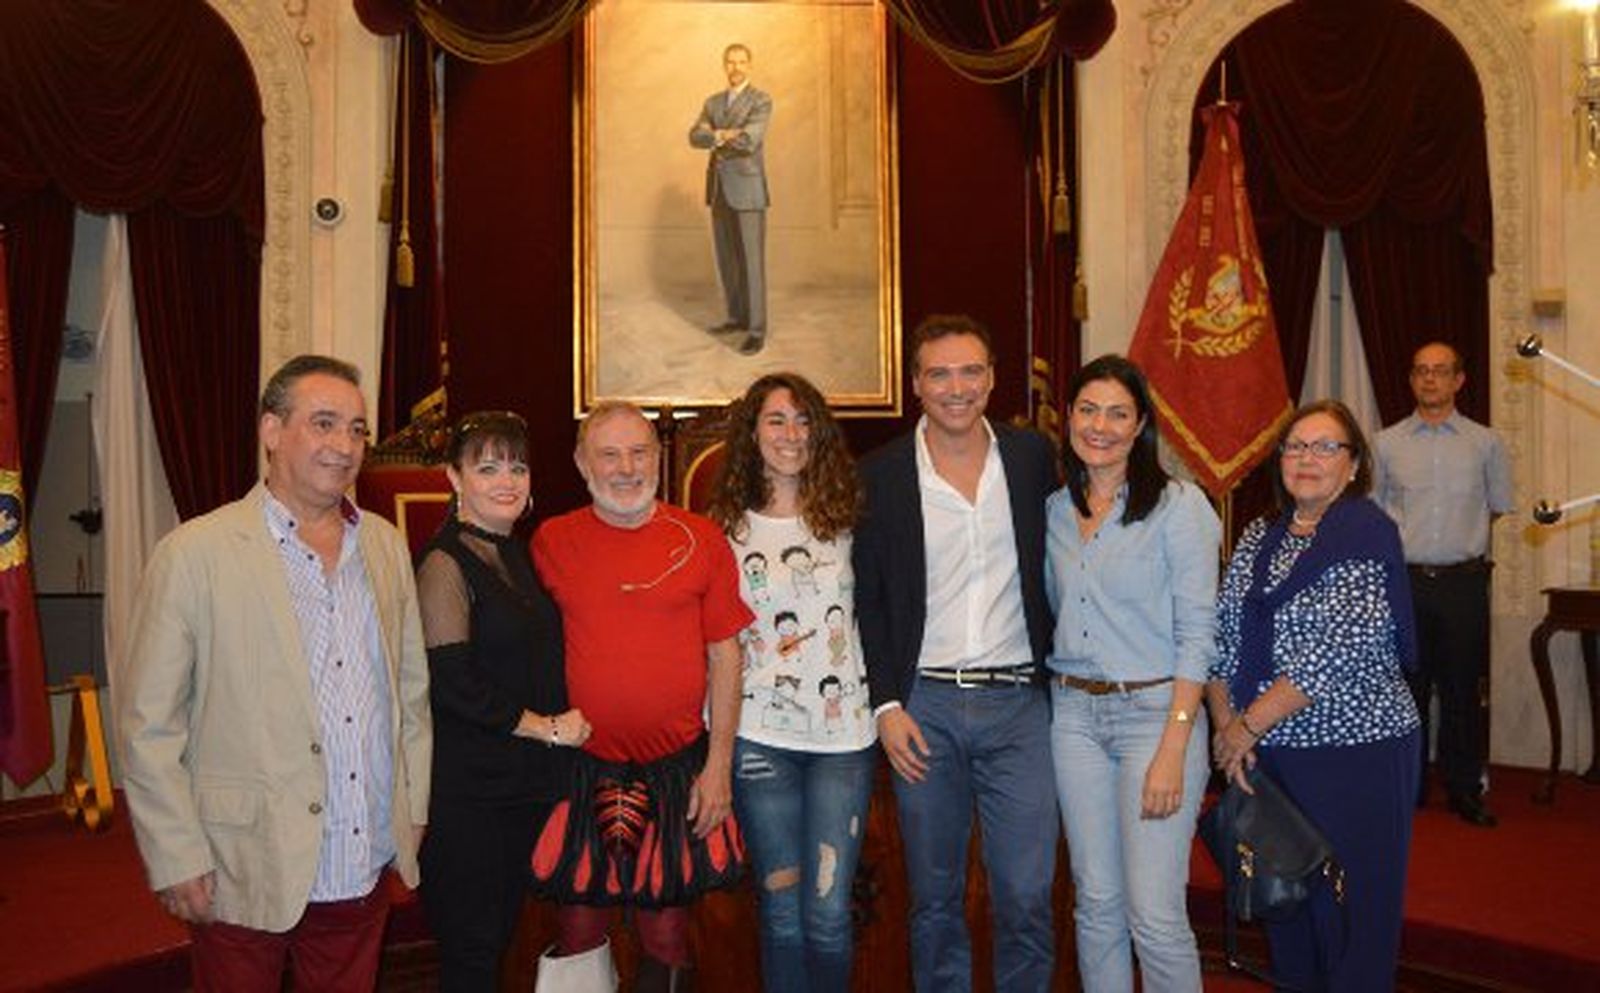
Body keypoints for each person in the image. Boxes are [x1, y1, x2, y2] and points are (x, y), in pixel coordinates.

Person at [114, 355, 431, 992]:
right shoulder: (193, 553)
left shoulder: (384, 545)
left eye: (357, 429)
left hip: (359, 853)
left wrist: (412, 809)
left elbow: (410, 694)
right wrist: (175, 852)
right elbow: (149, 725)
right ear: (271, 430)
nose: (344, 445)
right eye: (323, 423)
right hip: (241, 862)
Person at [852, 314, 1059, 992]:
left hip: (1020, 707)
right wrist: (886, 703)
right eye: (939, 374)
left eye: (971, 371)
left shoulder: (1031, 460)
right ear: (916, 384)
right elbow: (868, 600)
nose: (957, 387)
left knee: (1027, 893)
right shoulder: (879, 475)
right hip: (925, 709)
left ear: (993, 378)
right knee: (935, 898)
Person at [530, 401, 753, 991]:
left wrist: (718, 768)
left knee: (667, 938)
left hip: (675, 771)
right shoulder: (551, 541)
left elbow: (727, 656)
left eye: (639, 452)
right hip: (581, 770)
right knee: (577, 933)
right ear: (582, 463)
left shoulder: (702, 538)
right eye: (609, 454)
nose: (626, 468)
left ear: (658, 458)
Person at [1209, 399, 1422, 993]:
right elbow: (1219, 637)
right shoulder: (1259, 536)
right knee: (1287, 904)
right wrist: (1226, 728)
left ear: (1353, 466)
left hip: (1356, 754)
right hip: (1268, 758)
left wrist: (1245, 727)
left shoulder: (1366, 532)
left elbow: (1337, 650)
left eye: (1326, 447)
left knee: (1352, 909)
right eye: (1296, 447)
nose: (1307, 458)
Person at [1045, 355, 1219, 993]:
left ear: (1141, 424)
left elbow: (1198, 635)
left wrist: (1175, 745)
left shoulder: (1180, 506)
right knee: (1095, 903)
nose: (1101, 426)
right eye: (1088, 410)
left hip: (1155, 718)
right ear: (1068, 417)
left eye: (1118, 414)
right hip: (1074, 719)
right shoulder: (1053, 511)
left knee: (1155, 915)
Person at [705, 372, 877, 993]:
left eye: (804, 420)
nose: (791, 434)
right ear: (752, 433)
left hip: (843, 741)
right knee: (781, 916)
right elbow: (714, 642)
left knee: (828, 917)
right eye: (776, 420)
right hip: (759, 739)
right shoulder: (723, 528)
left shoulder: (850, 518)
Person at [414, 411, 592, 992]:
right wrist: (546, 727)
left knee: (499, 945)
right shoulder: (443, 563)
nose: (506, 481)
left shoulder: (517, 552)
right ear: (454, 477)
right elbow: (453, 683)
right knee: (472, 955)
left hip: (522, 788)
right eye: (487, 468)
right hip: (471, 798)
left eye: (517, 467)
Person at [1374, 341, 1513, 827]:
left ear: (1459, 380)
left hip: (1463, 584)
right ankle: (1407, 788)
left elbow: (1498, 507)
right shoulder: (1385, 443)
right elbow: (1375, 512)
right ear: (1411, 380)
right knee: (1406, 691)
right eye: (1420, 371)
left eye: (1440, 371)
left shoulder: (1486, 443)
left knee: (1461, 691)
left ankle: (1463, 789)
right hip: (1405, 584)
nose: (1429, 379)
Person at [689, 42, 772, 356]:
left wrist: (715, 134)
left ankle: (756, 330)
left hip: (748, 191)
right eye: (730, 62)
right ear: (724, 65)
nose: (736, 67)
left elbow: (750, 140)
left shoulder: (760, 100)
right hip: (718, 189)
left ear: (749, 65)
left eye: (741, 62)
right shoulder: (712, 102)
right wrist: (724, 134)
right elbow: (694, 136)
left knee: (751, 261)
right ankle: (737, 318)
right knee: (728, 260)